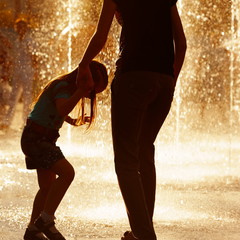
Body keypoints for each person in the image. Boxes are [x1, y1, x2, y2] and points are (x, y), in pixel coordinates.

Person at [77, 1, 187, 240]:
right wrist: (170, 81)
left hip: (132, 78)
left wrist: (83, 64)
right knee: (145, 152)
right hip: (164, 82)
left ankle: (144, 234)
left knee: (126, 161)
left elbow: (100, 36)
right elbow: (182, 44)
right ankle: (142, 230)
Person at [21, 60, 108, 240]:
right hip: (37, 139)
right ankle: (45, 220)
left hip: (39, 138)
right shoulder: (62, 86)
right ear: (84, 79)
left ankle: (32, 230)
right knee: (68, 173)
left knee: (46, 188)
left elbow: (57, 110)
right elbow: (61, 109)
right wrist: (81, 91)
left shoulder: (64, 88)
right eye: (92, 90)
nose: (90, 95)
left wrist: (73, 121)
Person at [1, 17, 36, 130]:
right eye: (18, 27)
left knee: (27, 97)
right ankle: (7, 122)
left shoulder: (29, 40)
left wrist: (35, 71)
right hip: (17, 72)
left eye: (22, 27)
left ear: (25, 28)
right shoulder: (16, 40)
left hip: (27, 71)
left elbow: (34, 56)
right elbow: (13, 56)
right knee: (13, 96)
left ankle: (26, 122)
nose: (19, 29)